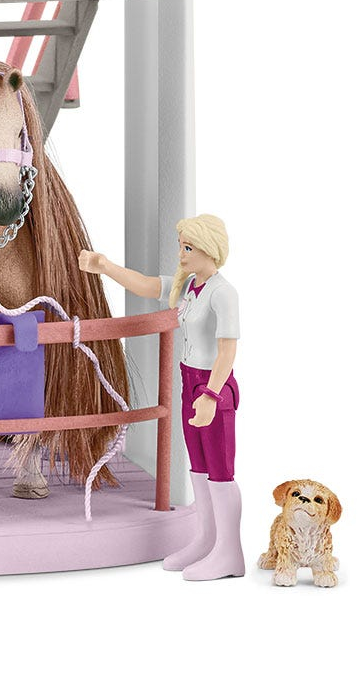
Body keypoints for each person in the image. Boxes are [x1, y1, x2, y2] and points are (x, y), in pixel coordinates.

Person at [78, 214, 244, 580]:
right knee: (199, 467)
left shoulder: (223, 293)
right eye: (181, 247)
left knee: (220, 470)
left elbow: (227, 351)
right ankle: (207, 539)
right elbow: (146, 285)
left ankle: (229, 551)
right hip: (189, 382)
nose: (181, 255)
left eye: (188, 248)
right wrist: (105, 266)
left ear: (208, 249)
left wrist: (211, 395)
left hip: (212, 387)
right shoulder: (188, 288)